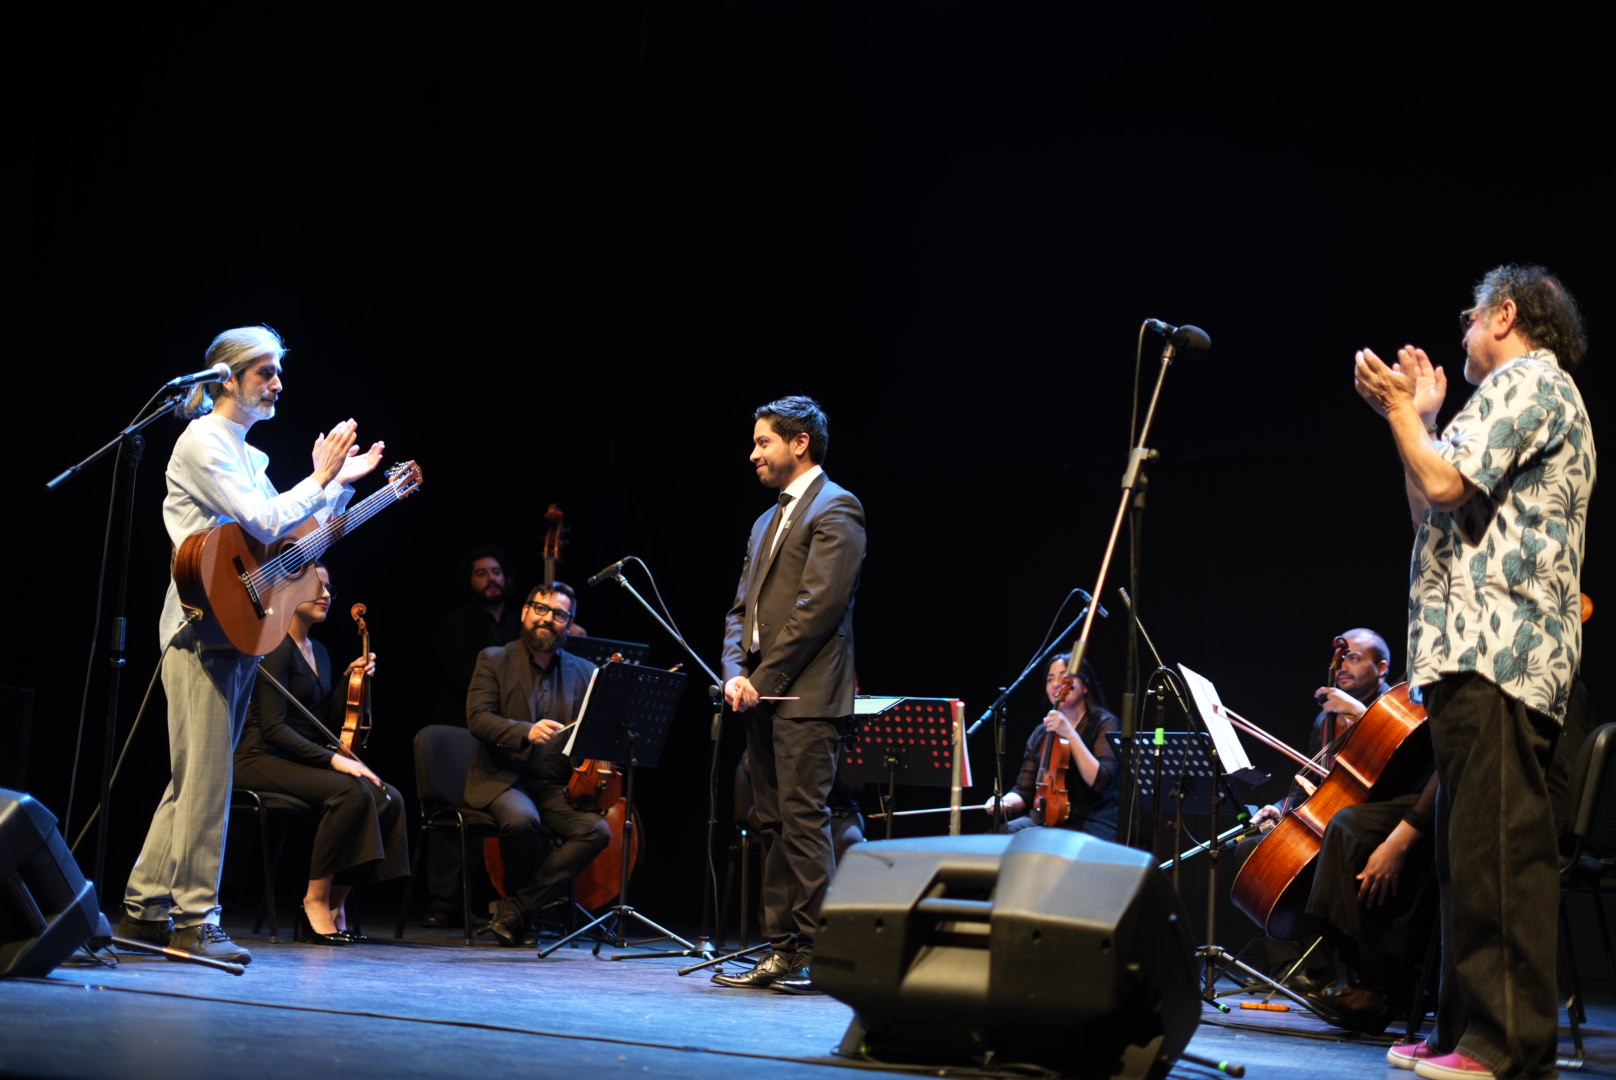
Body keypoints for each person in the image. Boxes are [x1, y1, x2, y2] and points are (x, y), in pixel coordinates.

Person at [1355, 265, 1594, 1080]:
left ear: (1507, 313)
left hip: (1503, 652)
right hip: (1468, 653)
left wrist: (1399, 412)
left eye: (1469, 317)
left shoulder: (1531, 382)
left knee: (1499, 849)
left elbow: (1445, 478)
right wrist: (1417, 419)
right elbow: (1433, 503)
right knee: (1466, 853)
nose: (1461, 334)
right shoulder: (1501, 400)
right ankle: (1466, 1029)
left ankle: (1507, 1045)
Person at [119, 326, 384, 963]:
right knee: (205, 780)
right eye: (264, 371)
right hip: (200, 630)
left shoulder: (250, 456)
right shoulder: (202, 442)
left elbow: (288, 534)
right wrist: (319, 476)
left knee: (196, 779)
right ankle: (194, 921)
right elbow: (264, 521)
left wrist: (340, 482)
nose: (277, 383)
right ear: (226, 380)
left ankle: (143, 907)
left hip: (237, 626)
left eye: (277, 371)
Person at [717, 395, 865, 995]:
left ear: (798, 443)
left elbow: (817, 611)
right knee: (773, 823)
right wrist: (733, 670)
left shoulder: (838, 509)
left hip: (802, 698)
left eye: (763, 442)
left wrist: (762, 680)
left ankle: (816, 953)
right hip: (757, 696)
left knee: (804, 824)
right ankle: (782, 949)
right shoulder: (763, 521)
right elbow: (740, 611)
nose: (753, 453)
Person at [234, 563, 409, 944]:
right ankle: (314, 899)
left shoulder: (322, 653)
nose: (327, 595)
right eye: (317, 587)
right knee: (351, 791)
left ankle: (336, 903)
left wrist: (350, 681)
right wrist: (335, 761)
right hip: (259, 758)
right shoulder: (275, 646)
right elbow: (274, 728)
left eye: (330, 588)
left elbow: (321, 723)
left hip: (295, 757)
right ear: (288, 593)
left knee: (388, 797)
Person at [463, 581, 608, 946]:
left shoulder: (584, 671)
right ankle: (520, 916)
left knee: (597, 830)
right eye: (540, 609)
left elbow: (591, 736)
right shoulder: (492, 658)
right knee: (522, 819)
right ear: (525, 613)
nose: (548, 619)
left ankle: (516, 909)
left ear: (570, 623)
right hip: (504, 779)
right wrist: (525, 731)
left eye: (559, 614)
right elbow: (478, 719)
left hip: (555, 785)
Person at [424, 544, 522, 928]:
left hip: (504, 736)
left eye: (495, 572)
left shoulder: (519, 624)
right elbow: (467, 679)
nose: (490, 579)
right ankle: (442, 904)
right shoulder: (455, 623)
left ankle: (491, 901)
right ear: (470, 580)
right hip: (460, 729)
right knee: (449, 820)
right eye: (481, 573)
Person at [989, 654, 1121, 841]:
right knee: (1000, 834)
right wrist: (1005, 802)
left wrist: (1070, 733)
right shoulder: (1041, 732)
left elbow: (1100, 780)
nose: (1057, 683)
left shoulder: (1104, 723)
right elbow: (1024, 790)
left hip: (1092, 820)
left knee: (1041, 842)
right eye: (1050, 679)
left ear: (1085, 686)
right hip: (1046, 818)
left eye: (1064, 676)